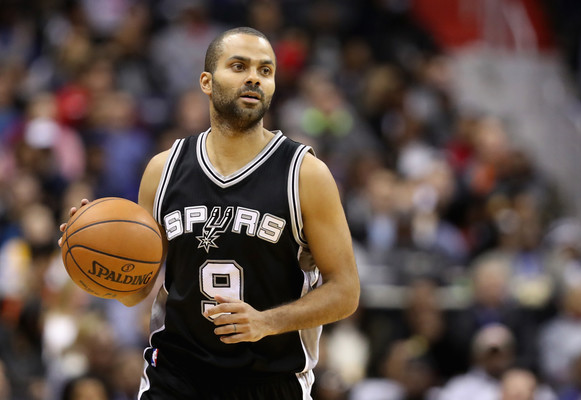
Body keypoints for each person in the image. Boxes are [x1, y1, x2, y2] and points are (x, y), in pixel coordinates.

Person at [58, 26, 360, 400]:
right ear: (206, 81)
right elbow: (138, 291)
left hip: (270, 382)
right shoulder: (163, 170)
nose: (254, 77)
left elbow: (346, 291)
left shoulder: (305, 174)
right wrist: (94, 252)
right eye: (239, 66)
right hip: (175, 378)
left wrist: (267, 322)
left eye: (265, 71)